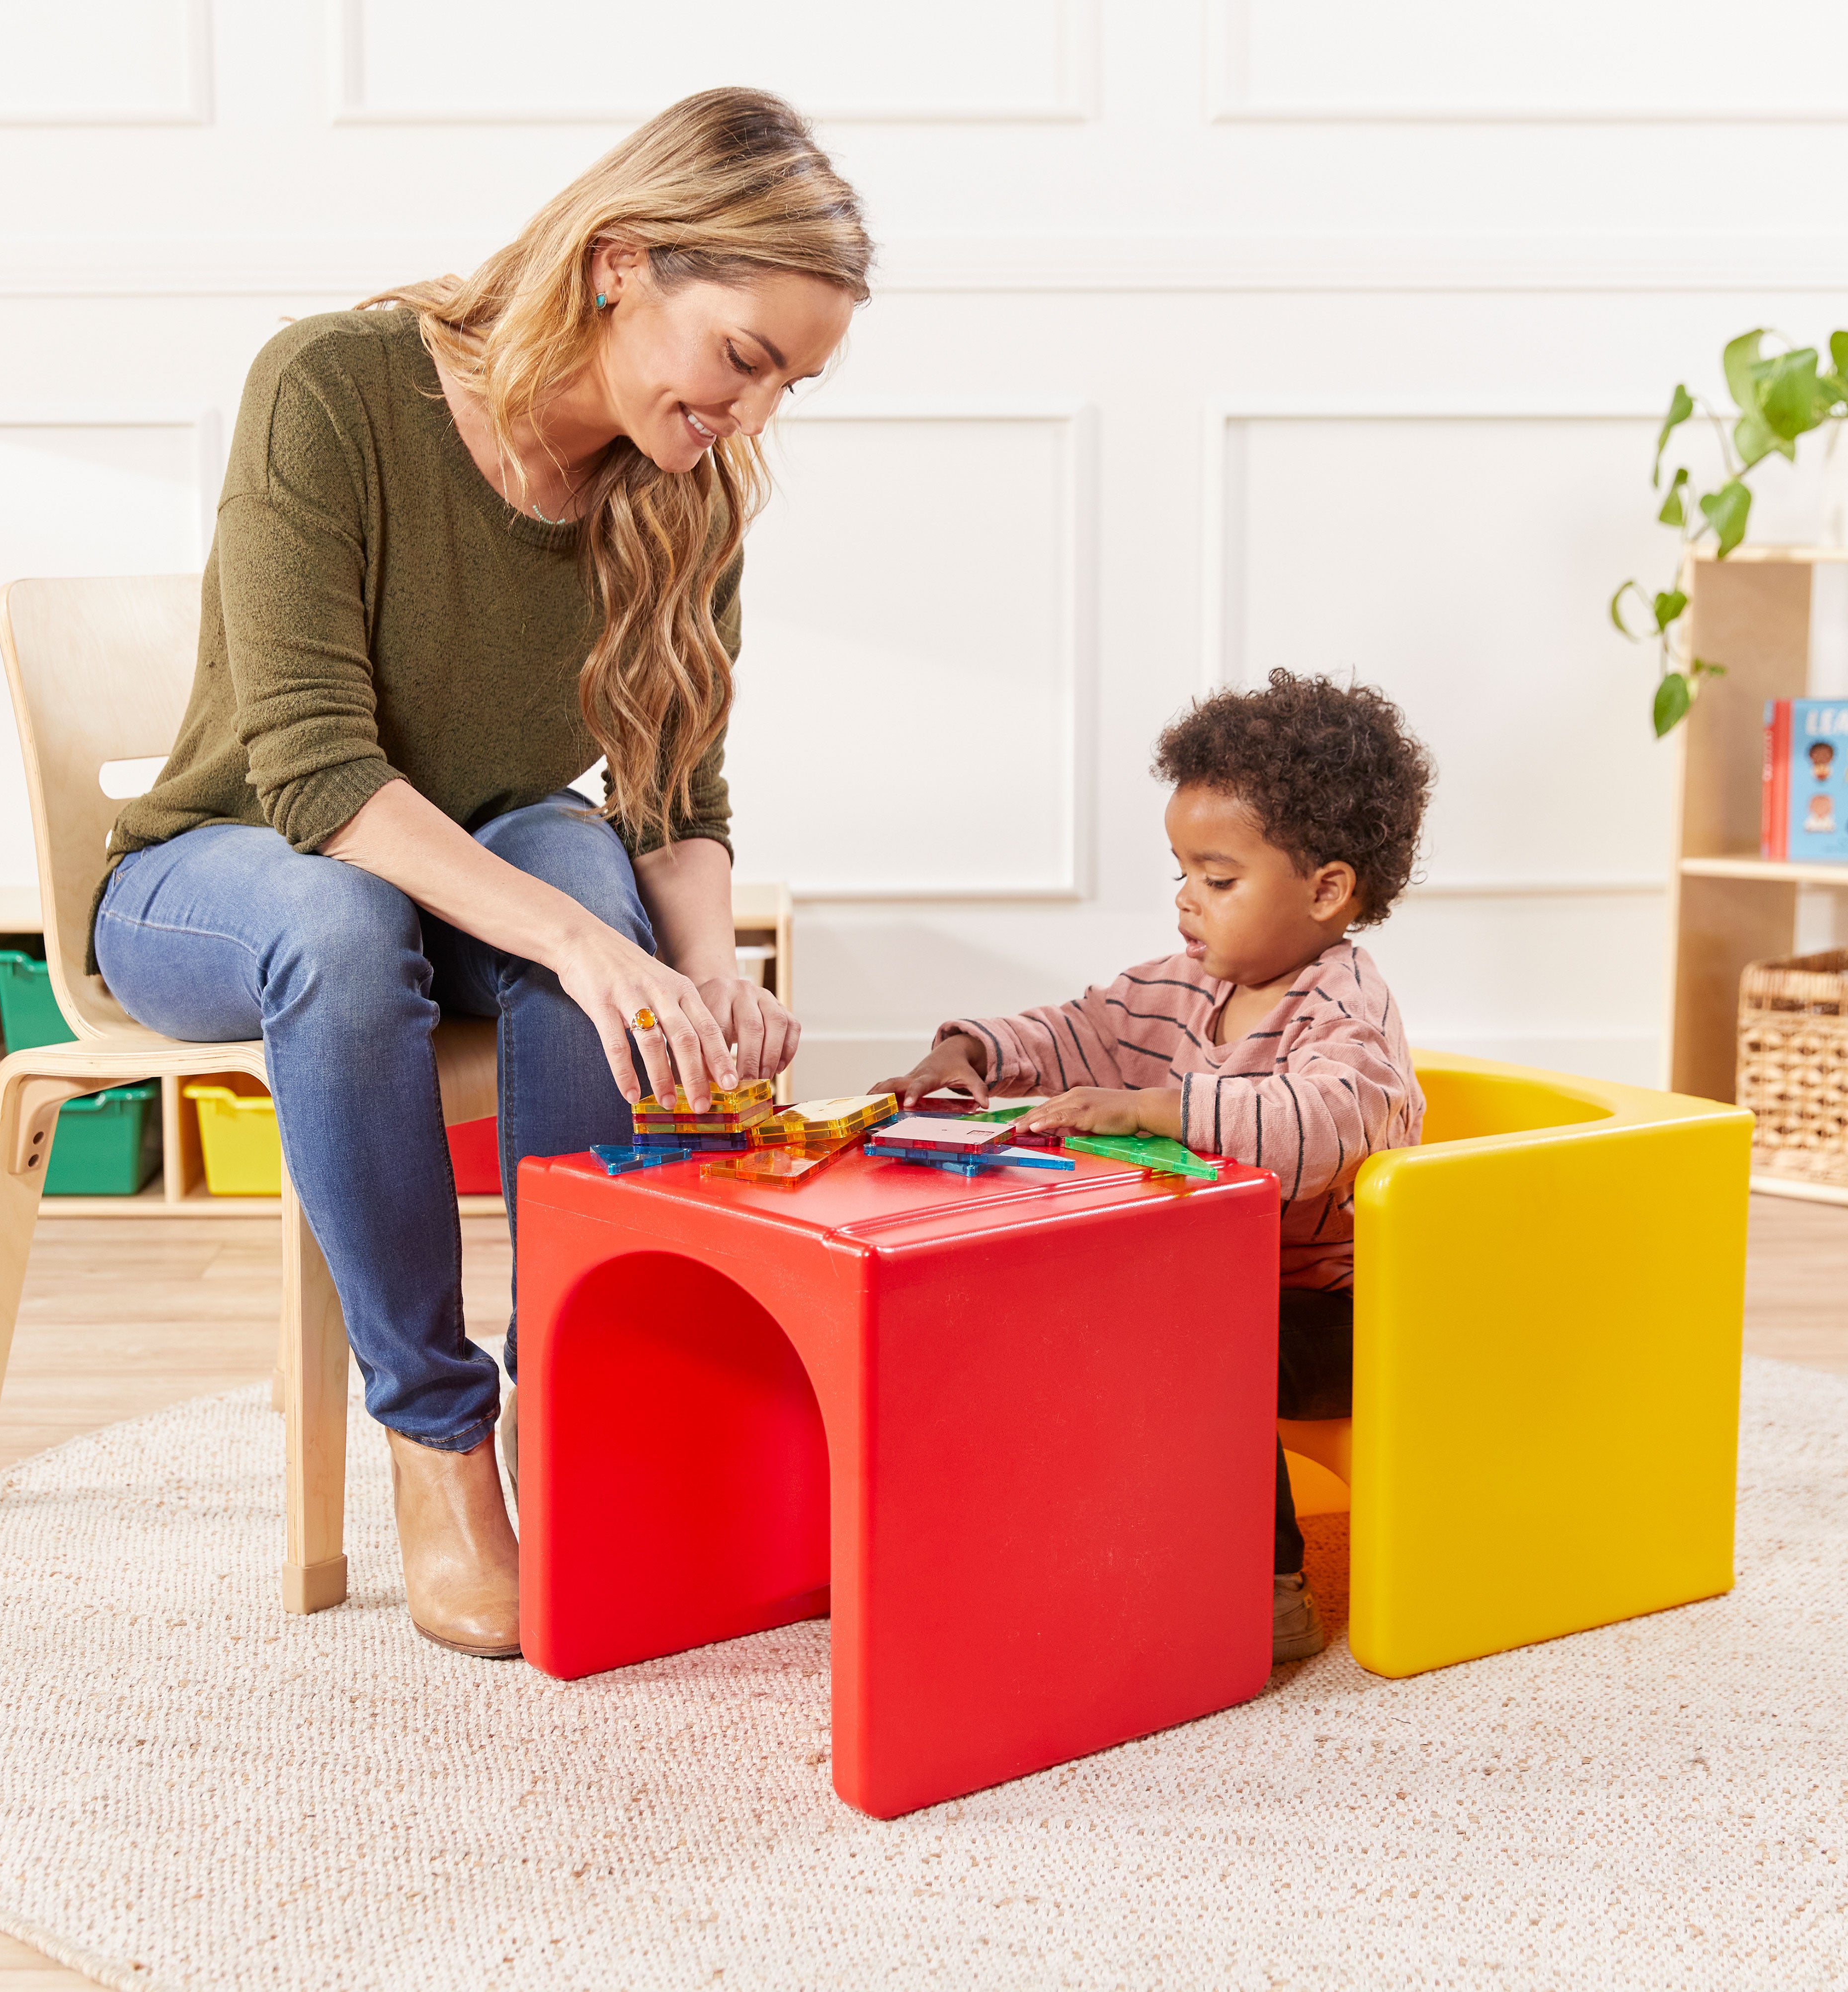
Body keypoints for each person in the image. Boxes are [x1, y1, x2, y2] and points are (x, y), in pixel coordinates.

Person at [91, 90, 871, 1658]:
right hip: (223, 881)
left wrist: (709, 979)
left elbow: (673, 791)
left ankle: (573, 1419)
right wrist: (591, 949)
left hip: (449, 895)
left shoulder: (686, 489)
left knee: (585, 867)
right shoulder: (336, 388)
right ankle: (440, 1445)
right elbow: (314, 778)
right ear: (621, 264)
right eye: (745, 357)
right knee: (353, 917)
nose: (759, 412)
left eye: (793, 380)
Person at [875, 671, 1435, 1664]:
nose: (1185, 900)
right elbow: (1077, 1030)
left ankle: (1265, 1587)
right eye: (1180, 872)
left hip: (1354, 1314)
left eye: (1217, 880)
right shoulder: (1182, 987)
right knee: (1086, 1301)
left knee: (1198, 1325)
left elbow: (1321, 1126)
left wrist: (1156, 1106)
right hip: (1235, 1288)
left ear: (1325, 889)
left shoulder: (1344, 1010)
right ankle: (1100, 1533)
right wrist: (968, 1052)